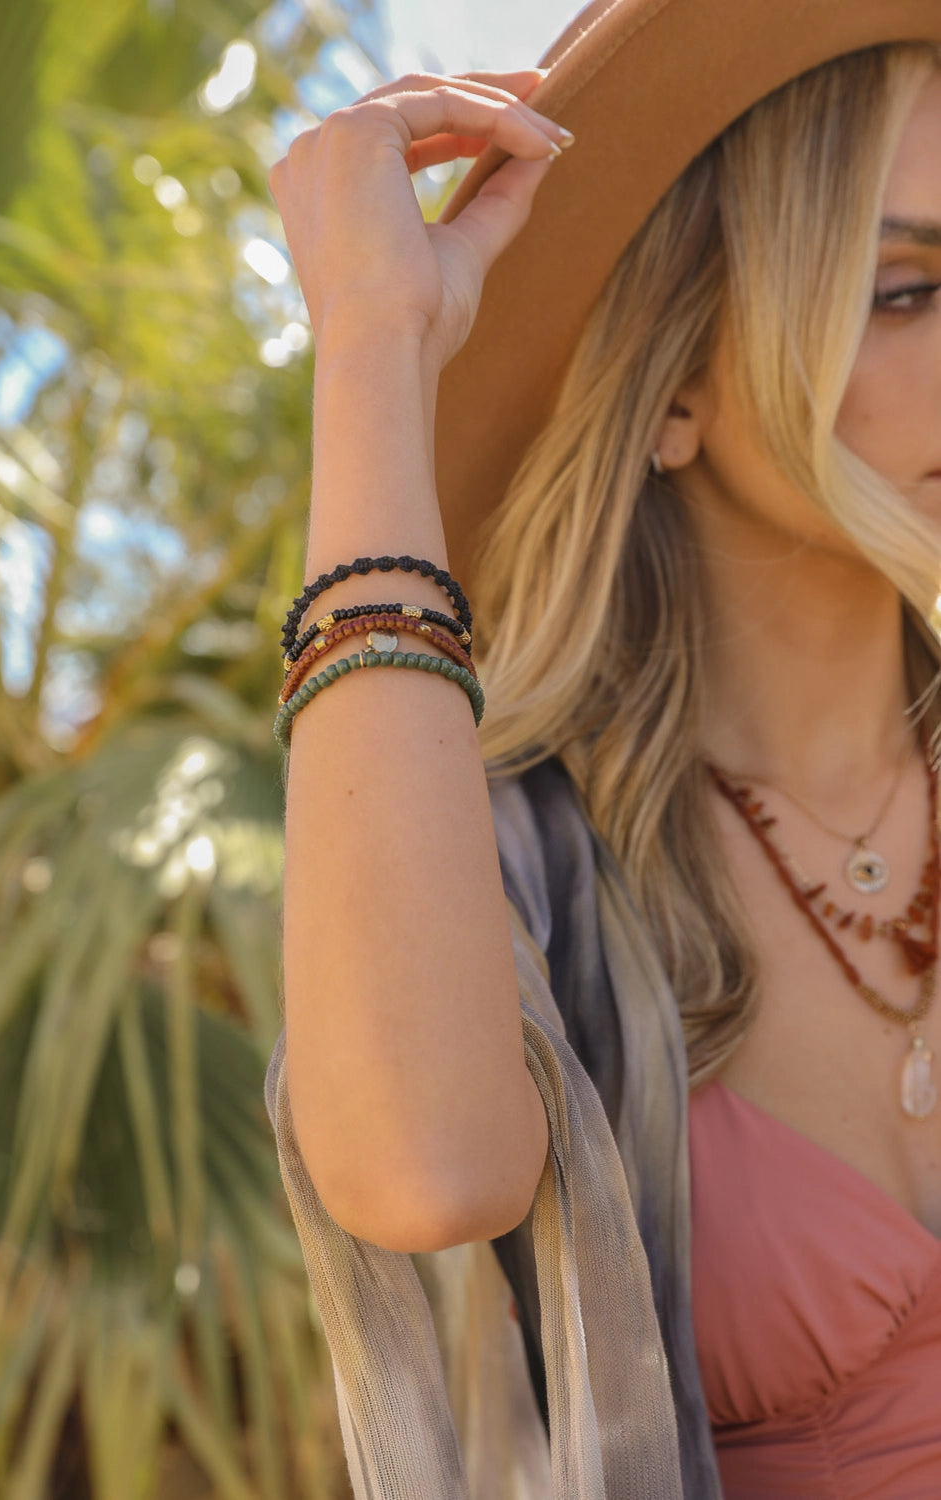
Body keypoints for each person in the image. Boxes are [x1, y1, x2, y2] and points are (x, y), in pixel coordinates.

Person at [265, 0, 941, 1493]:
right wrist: (377, 346)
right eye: (905, 290)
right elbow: (420, 1170)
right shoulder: (529, 859)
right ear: (680, 387)